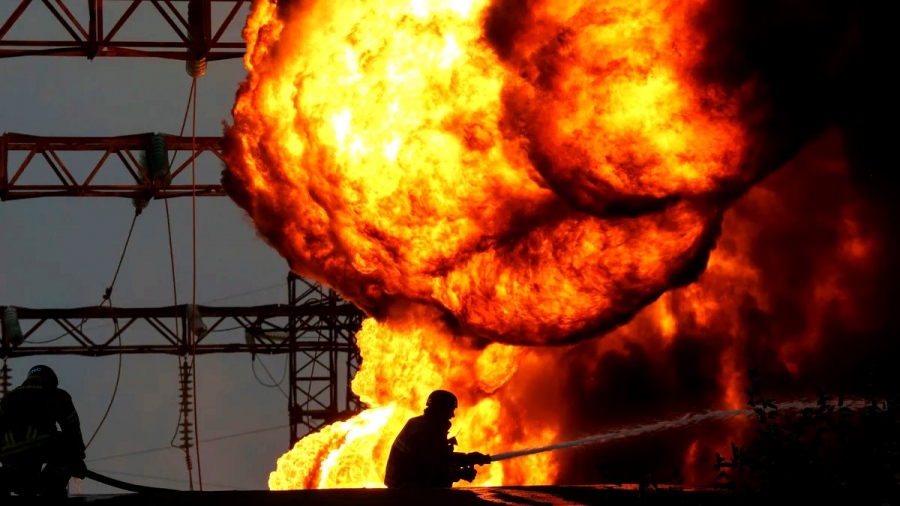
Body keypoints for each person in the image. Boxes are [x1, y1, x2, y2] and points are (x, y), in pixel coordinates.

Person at [0, 365, 88, 498]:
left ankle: (13, 478)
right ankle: (51, 484)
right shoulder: (57, 395)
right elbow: (72, 431)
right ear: (52, 381)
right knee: (66, 448)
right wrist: (77, 460)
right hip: (40, 446)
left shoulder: (9, 397)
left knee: (21, 476)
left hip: (10, 449)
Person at [384, 390, 491, 488]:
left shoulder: (427, 426)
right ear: (440, 409)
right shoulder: (423, 431)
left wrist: (467, 458)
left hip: (408, 485)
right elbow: (431, 470)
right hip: (405, 490)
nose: (452, 415)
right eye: (450, 410)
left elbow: (438, 456)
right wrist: (460, 473)